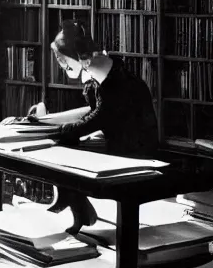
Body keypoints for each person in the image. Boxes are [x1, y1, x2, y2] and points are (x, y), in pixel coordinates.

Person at [45, 19, 160, 234]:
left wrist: (67, 130)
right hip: (115, 136)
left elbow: (101, 116)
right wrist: (46, 121)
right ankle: (73, 201)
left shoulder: (111, 77)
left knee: (66, 149)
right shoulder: (98, 70)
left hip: (134, 148)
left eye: (63, 59)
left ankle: (77, 205)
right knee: (64, 146)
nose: (62, 65)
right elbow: (92, 112)